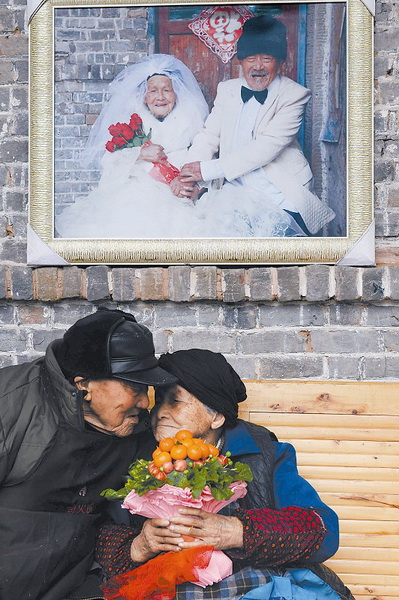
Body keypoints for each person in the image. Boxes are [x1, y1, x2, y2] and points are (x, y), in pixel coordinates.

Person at [96, 349, 354, 600]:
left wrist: (238, 531)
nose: (160, 412)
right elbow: (99, 535)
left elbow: (324, 531)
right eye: (158, 400)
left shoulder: (264, 454)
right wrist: (140, 544)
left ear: (216, 416)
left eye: (174, 400)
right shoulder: (136, 456)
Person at [0, 307, 177, 600]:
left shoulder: (139, 430)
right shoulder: (11, 404)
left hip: (74, 582)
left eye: (147, 388)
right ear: (84, 385)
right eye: (134, 387)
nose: (146, 403)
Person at [179, 15, 336, 237]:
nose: (258, 66)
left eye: (267, 58)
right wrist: (188, 175)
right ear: (241, 61)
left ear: (281, 62)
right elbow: (209, 136)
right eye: (251, 58)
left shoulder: (294, 95)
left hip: (278, 190)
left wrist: (205, 170)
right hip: (234, 189)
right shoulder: (228, 89)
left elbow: (266, 147)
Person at [55, 54, 209, 239]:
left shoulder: (192, 121)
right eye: (153, 91)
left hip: (179, 192)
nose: (160, 97)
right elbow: (109, 161)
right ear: (144, 97)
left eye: (167, 90)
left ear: (176, 94)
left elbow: (204, 158)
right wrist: (140, 153)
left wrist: (195, 187)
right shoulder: (132, 123)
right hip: (138, 190)